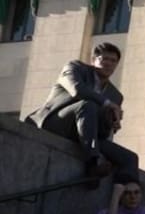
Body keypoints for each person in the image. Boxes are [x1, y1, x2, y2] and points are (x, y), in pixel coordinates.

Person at [25, 42, 138, 181]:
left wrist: (111, 123)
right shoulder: (75, 68)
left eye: (113, 61)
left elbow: (102, 133)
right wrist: (107, 103)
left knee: (130, 158)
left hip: (87, 134)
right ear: (93, 60)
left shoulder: (116, 95)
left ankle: (127, 189)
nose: (108, 63)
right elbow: (77, 90)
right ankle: (93, 163)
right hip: (56, 123)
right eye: (104, 59)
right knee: (87, 105)